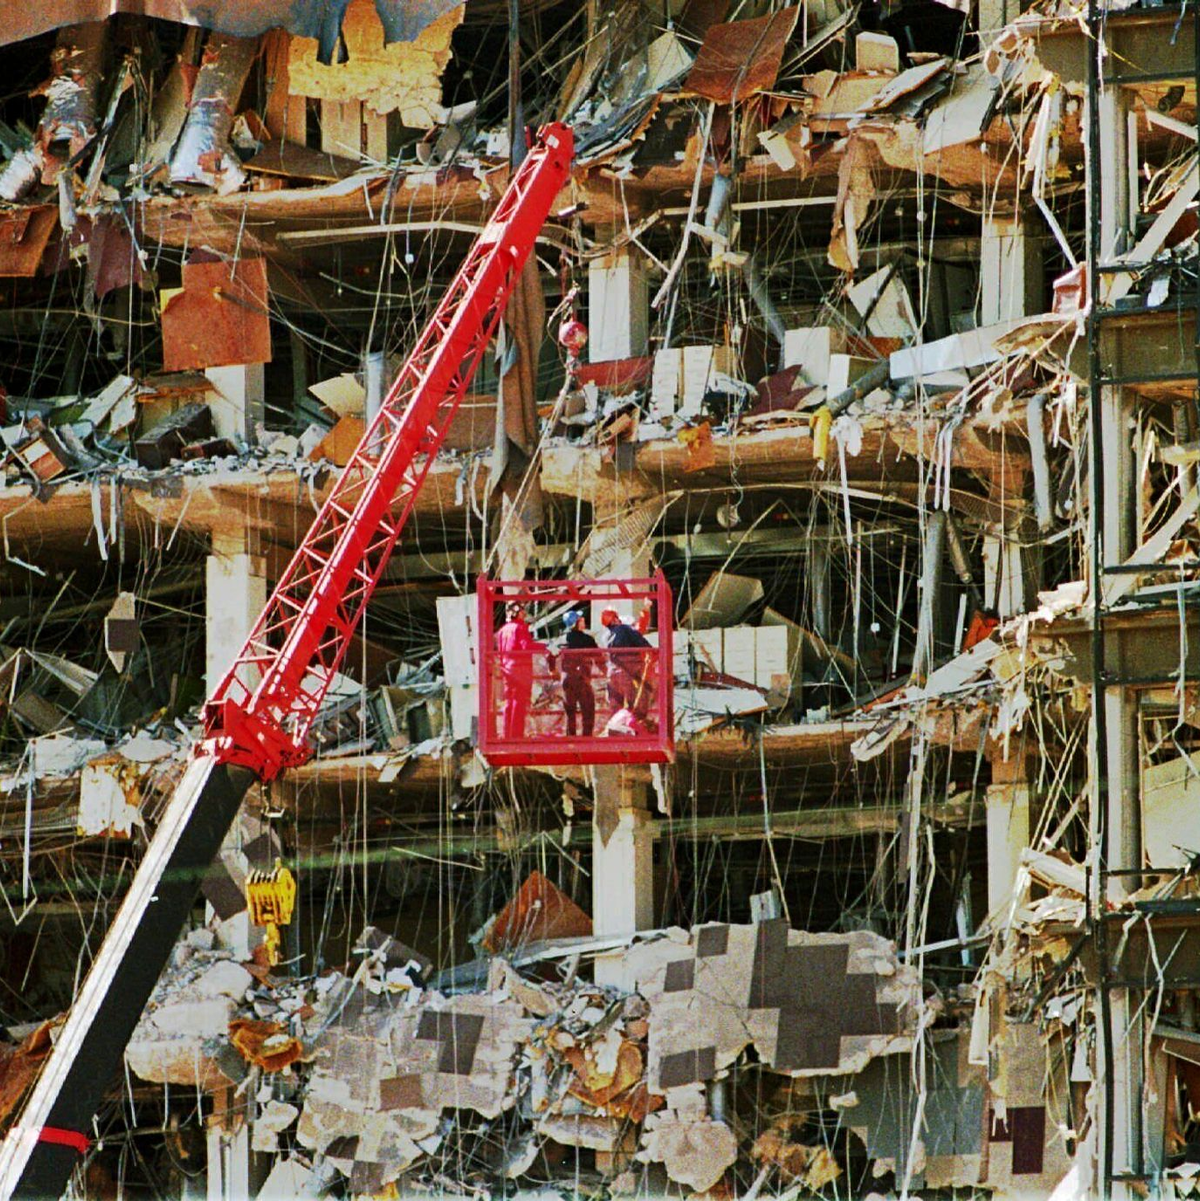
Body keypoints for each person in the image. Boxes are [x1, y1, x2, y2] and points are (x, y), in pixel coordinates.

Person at [495, 602, 551, 739]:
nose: (524, 614)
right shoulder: (520, 628)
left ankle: (507, 734)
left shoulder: (502, 631)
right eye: (521, 612)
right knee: (519, 703)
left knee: (509, 702)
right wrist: (546, 646)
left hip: (507, 669)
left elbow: (500, 650)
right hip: (521, 670)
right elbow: (527, 646)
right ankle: (516, 735)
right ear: (517, 613)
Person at [600, 607, 655, 717]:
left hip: (612, 674)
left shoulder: (605, 636)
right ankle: (636, 726)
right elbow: (642, 642)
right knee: (636, 702)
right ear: (615, 619)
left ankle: (616, 728)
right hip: (628, 672)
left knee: (615, 706)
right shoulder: (625, 629)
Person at [560, 610, 600, 737]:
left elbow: (550, 654)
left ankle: (570, 738)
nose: (583, 621)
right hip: (582, 678)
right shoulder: (587, 639)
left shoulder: (561, 639)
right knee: (588, 709)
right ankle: (587, 737)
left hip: (567, 679)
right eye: (581, 620)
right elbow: (598, 657)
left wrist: (552, 670)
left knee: (569, 711)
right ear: (576, 623)